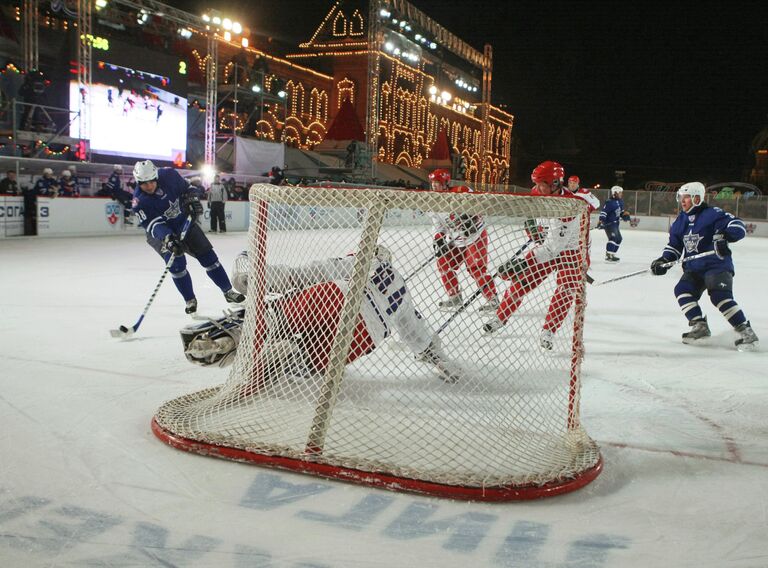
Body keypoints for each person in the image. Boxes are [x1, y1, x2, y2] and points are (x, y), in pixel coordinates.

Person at [179, 246, 464, 385]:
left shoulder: (362, 260)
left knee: (281, 312)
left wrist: (258, 277)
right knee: (308, 362)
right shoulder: (403, 292)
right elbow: (416, 333)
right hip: (364, 337)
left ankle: (240, 332)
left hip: (338, 299)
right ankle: (291, 357)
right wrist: (439, 360)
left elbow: (303, 276)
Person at [483, 161, 599, 350]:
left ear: (554, 183)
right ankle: (500, 317)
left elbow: (553, 248)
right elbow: (531, 216)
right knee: (521, 282)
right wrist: (531, 227)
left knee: (565, 291)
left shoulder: (568, 207)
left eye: (541, 183)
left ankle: (549, 331)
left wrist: (523, 262)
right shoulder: (538, 192)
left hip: (570, 250)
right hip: (547, 245)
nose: (536, 188)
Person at [650, 181, 758, 351]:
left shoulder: (712, 214)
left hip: (717, 264)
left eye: (686, 197)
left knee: (719, 296)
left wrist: (726, 236)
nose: (682, 201)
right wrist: (663, 261)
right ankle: (699, 326)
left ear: (697, 198)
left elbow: (737, 226)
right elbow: (674, 246)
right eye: (681, 197)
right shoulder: (680, 221)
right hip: (694, 267)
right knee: (682, 290)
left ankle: (745, 330)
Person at [131, 159, 245, 314]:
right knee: (177, 266)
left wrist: (192, 197)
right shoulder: (139, 202)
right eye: (144, 184)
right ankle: (190, 300)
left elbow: (189, 188)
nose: (149, 186)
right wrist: (169, 239)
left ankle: (228, 291)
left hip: (184, 223)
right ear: (138, 182)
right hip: (162, 234)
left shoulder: (169, 175)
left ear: (156, 176)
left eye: (151, 181)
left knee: (209, 258)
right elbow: (153, 225)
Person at [428, 168, 499, 313]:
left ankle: (493, 299)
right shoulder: (433, 203)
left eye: (438, 182)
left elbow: (479, 205)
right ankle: (455, 296)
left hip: (475, 236)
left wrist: (472, 218)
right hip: (456, 240)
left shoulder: (462, 191)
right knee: (443, 263)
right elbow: (439, 226)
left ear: (446, 183)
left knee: (476, 269)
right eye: (433, 183)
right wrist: (439, 239)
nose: (435, 186)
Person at [597, 185, 630, 262]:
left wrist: (624, 216)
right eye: (620, 193)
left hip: (615, 224)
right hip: (609, 224)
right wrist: (601, 221)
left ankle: (612, 254)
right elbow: (604, 212)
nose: (621, 194)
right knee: (613, 238)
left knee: (619, 239)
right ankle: (609, 255)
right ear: (615, 193)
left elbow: (621, 212)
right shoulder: (609, 202)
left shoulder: (620, 201)